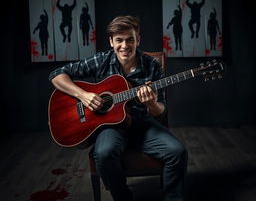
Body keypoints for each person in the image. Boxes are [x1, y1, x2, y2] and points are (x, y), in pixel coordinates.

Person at [49, 16, 187, 201]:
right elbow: (56, 75)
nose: (125, 45)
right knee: (104, 153)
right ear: (111, 42)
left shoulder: (152, 66)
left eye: (130, 39)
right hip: (110, 127)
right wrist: (83, 95)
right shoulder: (101, 60)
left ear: (138, 40)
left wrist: (151, 103)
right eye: (119, 40)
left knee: (177, 151)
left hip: (141, 124)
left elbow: (161, 111)